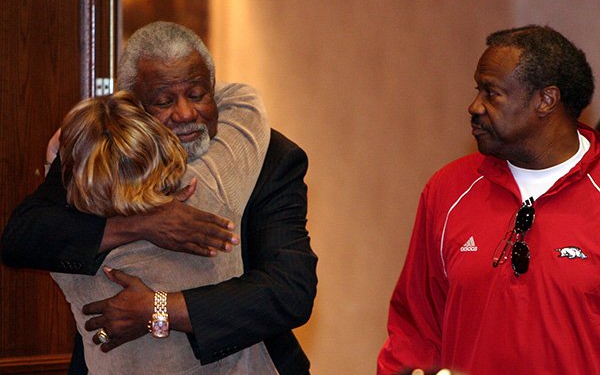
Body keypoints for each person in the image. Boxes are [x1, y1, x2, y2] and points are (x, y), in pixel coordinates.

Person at [1, 21, 317, 374]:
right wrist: (141, 225)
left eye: (197, 95)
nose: (184, 114)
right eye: (164, 102)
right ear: (131, 106)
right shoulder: (101, 152)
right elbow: (23, 237)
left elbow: (291, 290)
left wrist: (158, 310)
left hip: (249, 359)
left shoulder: (270, 158)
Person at [377, 25, 598, 375]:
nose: (474, 106)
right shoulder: (448, 190)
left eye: (491, 93)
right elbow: (415, 329)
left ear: (546, 100)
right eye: (477, 90)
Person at [51, 80, 275, 374]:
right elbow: (245, 101)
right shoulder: (207, 192)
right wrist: (187, 94)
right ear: (161, 144)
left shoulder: (64, 249)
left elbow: (54, 164)